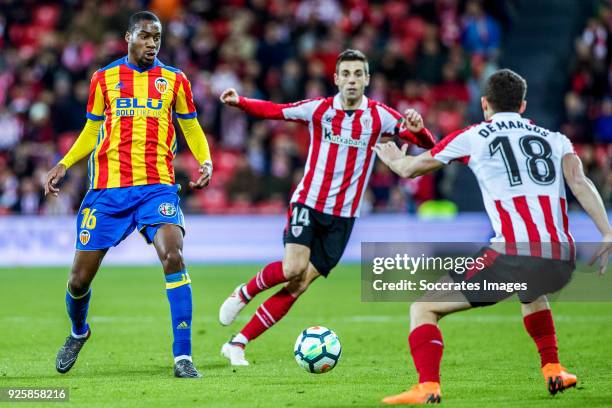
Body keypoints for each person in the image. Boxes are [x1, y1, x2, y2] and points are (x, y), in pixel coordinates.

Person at [374, 68, 611, 404]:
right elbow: (579, 182)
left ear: (485, 103)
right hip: (560, 256)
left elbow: (411, 169)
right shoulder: (556, 139)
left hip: (514, 254)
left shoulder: (474, 135)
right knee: (532, 292)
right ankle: (554, 368)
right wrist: (607, 230)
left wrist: (393, 156)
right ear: (523, 106)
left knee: (424, 308)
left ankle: (427, 386)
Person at [217, 49, 436, 366]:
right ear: (336, 79)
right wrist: (241, 102)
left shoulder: (380, 116)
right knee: (293, 267)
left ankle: (238, 343)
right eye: (345, 74)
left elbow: (428, 146)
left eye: (358, 74)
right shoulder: (319, 110)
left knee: (299, 284)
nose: (351, 80)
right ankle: (243, 293)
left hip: (344, 218)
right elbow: (275, 111)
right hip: (308, 202)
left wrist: (419, 129)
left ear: (367, 79)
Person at [44, 11, 213, 378]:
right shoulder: (104, 79)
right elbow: (91, 131)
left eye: (158, 37)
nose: (152, 43)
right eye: (146, 36)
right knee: (78, 281)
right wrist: (65, 163)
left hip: (157, 188)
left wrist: (205, 160)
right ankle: (79, 331)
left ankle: (182, 357)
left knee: (174, 257)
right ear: (128, 37)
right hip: (108, 192)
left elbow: (191, 126)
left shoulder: (174, 80)